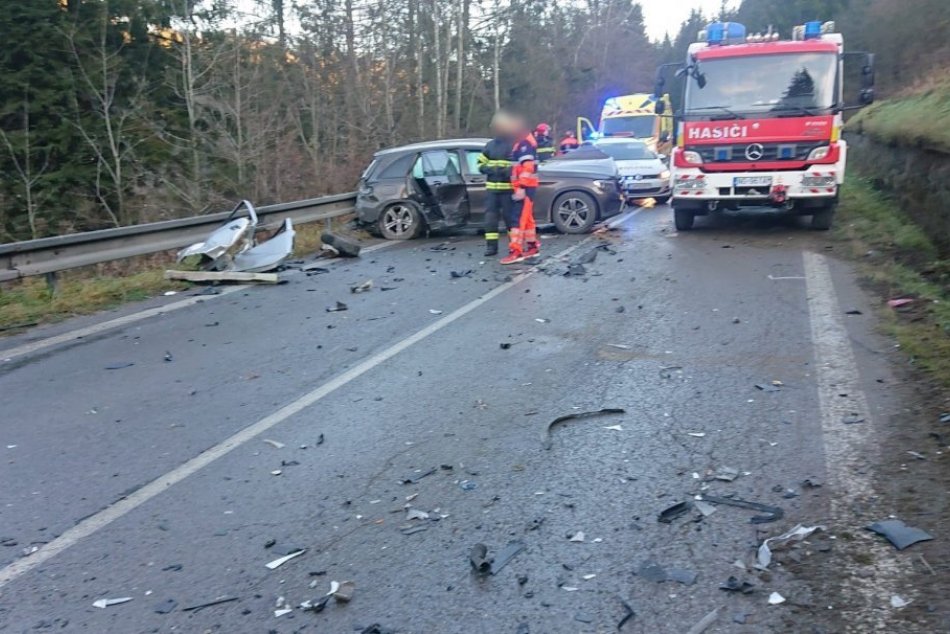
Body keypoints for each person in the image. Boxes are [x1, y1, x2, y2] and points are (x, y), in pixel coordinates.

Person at [476, 112, 517, 257]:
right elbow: (480, 165)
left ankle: (515, 247)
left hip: (508, 191)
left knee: (510, 220)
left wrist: (507, 171)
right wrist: (492, 169)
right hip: (492, 192)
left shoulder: (513, 145)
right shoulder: (489, 146)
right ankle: (491, 248)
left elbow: (518, 166)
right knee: (490, 221)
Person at [502, 116, 540, 265]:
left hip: (525, 188)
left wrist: (522, 187)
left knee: (517, 220)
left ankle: (516, 251)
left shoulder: (524, 144)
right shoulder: (524, 142)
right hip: (527, 187)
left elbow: (527, 167)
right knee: (527, 219)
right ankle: (532, 246)